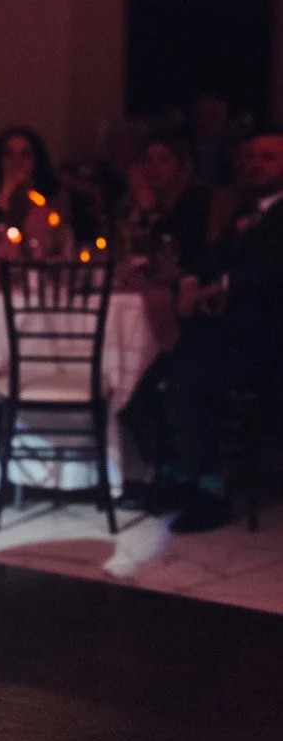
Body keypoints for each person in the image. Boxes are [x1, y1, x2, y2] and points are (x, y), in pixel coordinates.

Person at [123, 129, 283, 533]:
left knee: (186, 382)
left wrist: (223, 286)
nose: (256, 164)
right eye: (251, 156)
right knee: (137, 382)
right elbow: (215, 257)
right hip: (225, 334)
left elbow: (268, 272)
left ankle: (211, 489)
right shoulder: (247, 212)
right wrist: (195, 278)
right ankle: (173, 471)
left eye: (268, 156)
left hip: (267, 339)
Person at [0, 124, 60, 269]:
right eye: (9, 154)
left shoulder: (51, 199)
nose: (16, 161)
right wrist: (4, 195)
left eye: (25, 155)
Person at [122, 135, 213, 277]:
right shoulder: (138, 199)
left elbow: (177, 252)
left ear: (180, 166)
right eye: (147, 160)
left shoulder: (195, 198)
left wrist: (148, 207)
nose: (153, 167)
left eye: (163, 160)